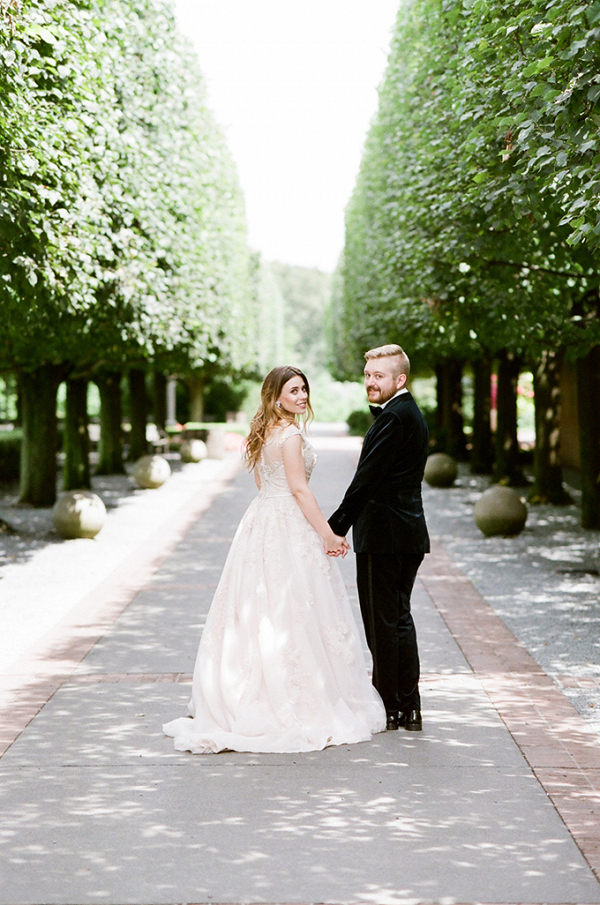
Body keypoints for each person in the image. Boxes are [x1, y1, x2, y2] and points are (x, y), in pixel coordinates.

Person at [163, 366, 386, 754]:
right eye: (294, 391)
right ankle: (296, 698)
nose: (302, 397)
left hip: (260, 521)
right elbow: (299, 490)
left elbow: (263, 485)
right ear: (276, 396)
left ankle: (252, 690)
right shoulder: (293, 435)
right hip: (288, 524)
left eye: (304, 390)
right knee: (296, 608)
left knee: (260, 608)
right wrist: (328, 534)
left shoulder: (264, 433)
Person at [328, 344, 430, 732]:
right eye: (368, 375)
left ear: (399, 380)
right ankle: (409, 706)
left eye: (379, 376)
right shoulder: (406, 413)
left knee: (383, 623)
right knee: (397, 617)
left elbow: (365, 481)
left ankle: (389, 705)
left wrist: (335, 527)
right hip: (405, 531)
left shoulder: (395, 418)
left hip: (386, 534)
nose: (370, 382)